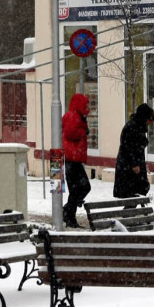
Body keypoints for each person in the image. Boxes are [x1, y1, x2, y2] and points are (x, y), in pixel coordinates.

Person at [61, 92, 92, 228]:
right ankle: (68, 215)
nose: (88, 106)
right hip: (70, 158)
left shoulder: (78, 116)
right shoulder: (73, 116)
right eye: (86, 104)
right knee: (80, 188)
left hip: (74, 158)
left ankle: (68, 212)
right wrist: (83, 132)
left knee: (80, 188)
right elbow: (70, 133)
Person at [114, 103, 154, 200]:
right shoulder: (133, 127)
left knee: (138, 190)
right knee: (133, 191)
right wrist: (134, 164)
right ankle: (128, 212)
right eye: (149, 120)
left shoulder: (138, 126)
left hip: (132, 163)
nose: (149, 123)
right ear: (144, 117)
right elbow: (130, 148)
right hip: (129, 165)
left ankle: (129, 211)